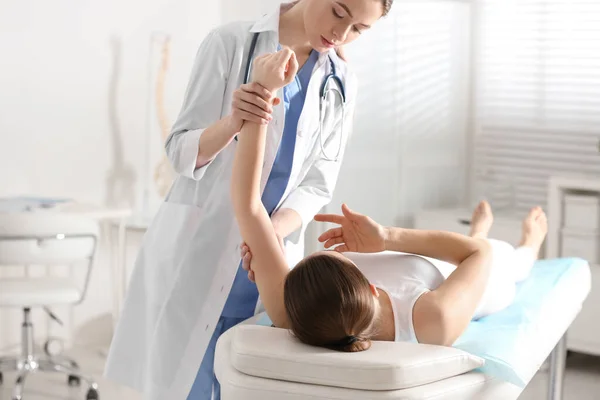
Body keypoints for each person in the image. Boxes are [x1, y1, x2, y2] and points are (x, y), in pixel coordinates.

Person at [104, 1, 393, 399]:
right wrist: (233, 121)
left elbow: (318, 183)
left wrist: (267, 233)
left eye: (359, 29)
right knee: (186, 385)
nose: (341, 35)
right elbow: (180, 151)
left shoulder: (341, 80)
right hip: (200, 252)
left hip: (267, 262)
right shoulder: (231, 43)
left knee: (248, 384)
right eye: (339, 12)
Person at [231, 53, 549, 352]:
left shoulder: (295, 311)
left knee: (468, 247)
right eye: (345, 259)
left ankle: (478, 229)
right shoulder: (430, 320)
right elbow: (480, 254)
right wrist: (386, 237)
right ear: (369, 287)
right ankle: (530, 243)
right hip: (483, 277)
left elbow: (247, 204)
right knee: (509, 258)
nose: (341, 252)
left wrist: (261, 92)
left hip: (425, 267)